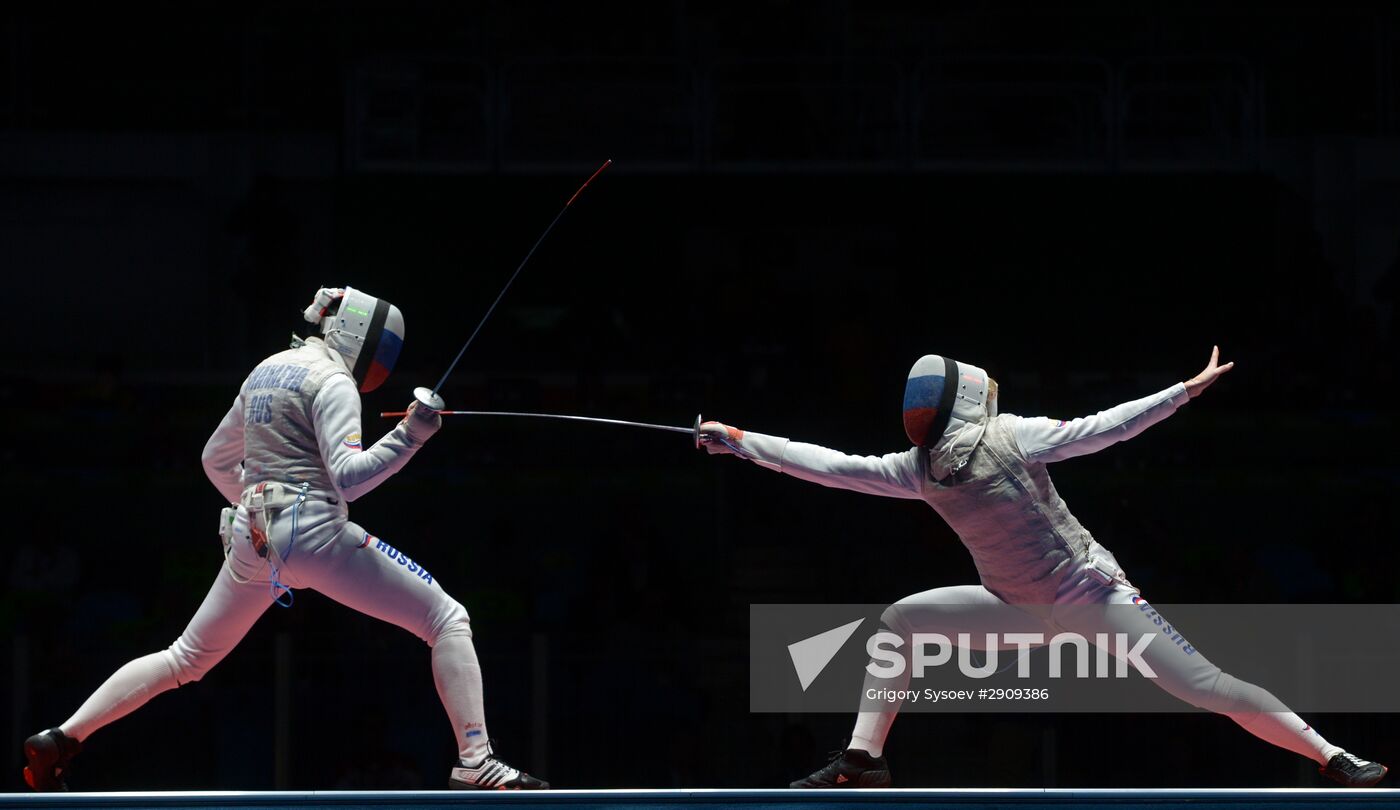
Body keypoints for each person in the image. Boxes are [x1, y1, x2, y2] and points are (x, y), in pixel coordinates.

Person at [699, 347, 1386, 789]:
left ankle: (1331, 755)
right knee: (900, 623)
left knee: (1204, 684)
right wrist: (741, 443)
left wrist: (743, 443)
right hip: (1015, 609)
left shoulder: (936, 463)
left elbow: (1101, 428)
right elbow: (829, 467)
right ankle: (864, 759)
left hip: (1095, 596)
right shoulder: (949, 459)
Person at [23, 287, 547, 792]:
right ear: (360, 338)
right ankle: (475, 762)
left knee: (185, 658)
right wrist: (412, 434)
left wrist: (258, 504)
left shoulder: (265, 370)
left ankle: (62, 738)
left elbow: (214, 459)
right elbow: (349, 479)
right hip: (316, 535)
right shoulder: (334, 380)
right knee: (446, 619)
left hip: (255, 544)